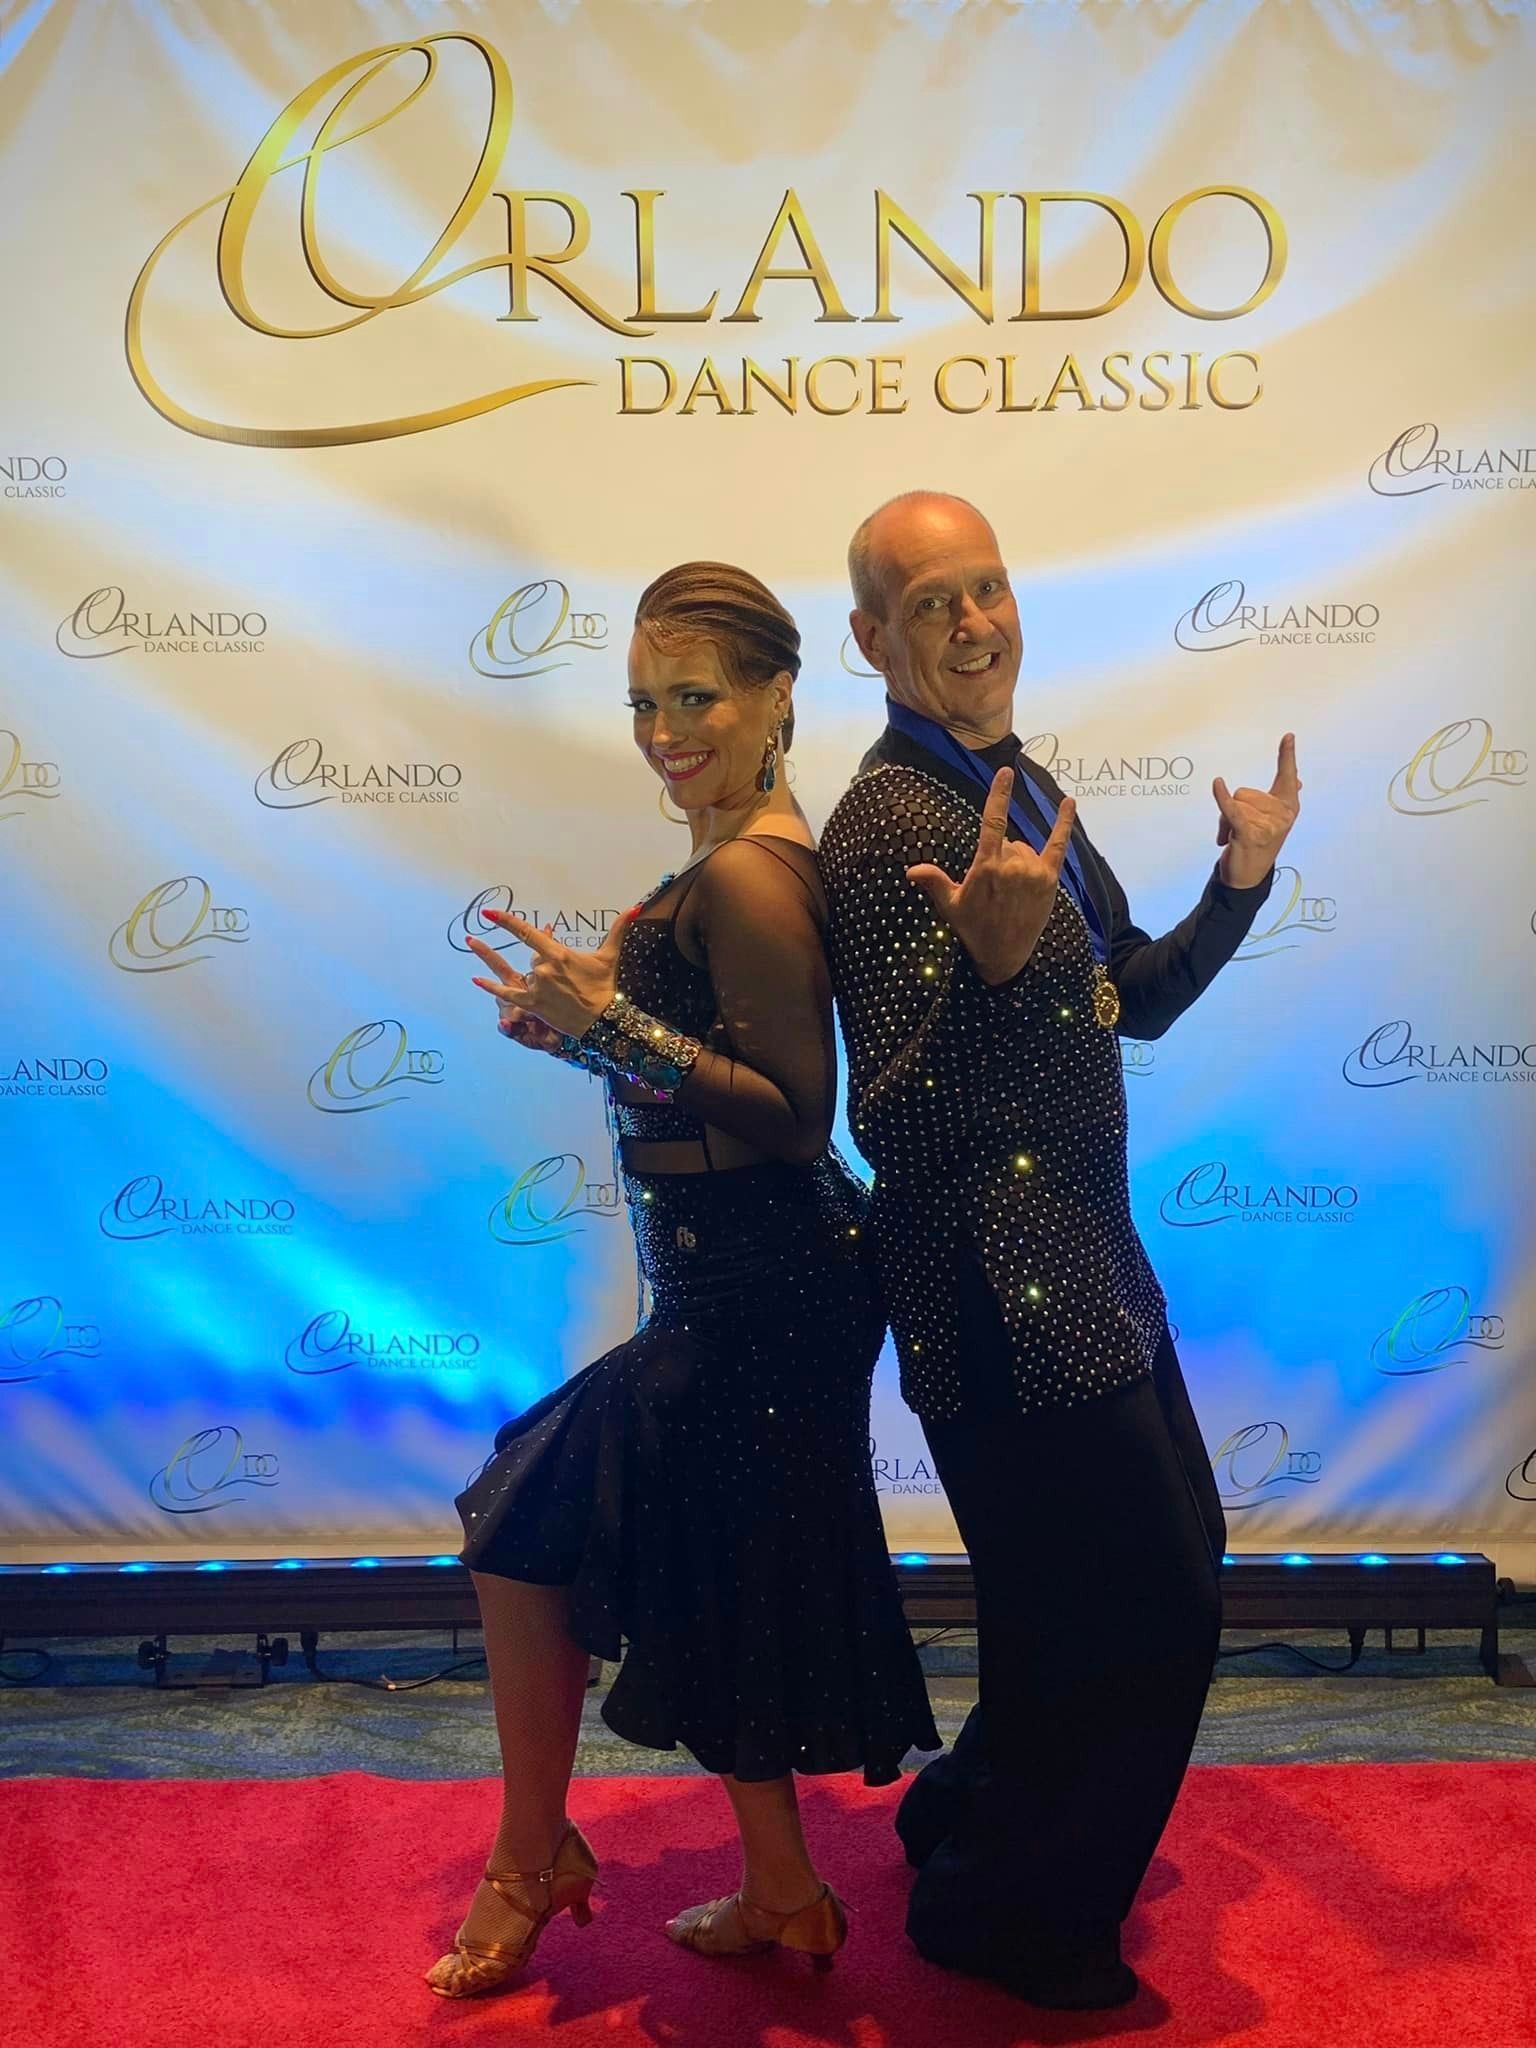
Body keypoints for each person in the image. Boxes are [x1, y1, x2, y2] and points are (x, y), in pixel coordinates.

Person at [428, 561, 938, 1999]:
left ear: (779, 695)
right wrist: (590, 1028)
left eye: (696, 697)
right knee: (728, 1576)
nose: (665, 729)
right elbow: (703, 1070)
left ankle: (533, 1860)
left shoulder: (752, 870)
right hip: (743, 1280)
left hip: (766, 1289)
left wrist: (614, 1029)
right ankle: (783, 1890)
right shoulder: (731, 852)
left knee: (521, 1528)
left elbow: (790, 1105)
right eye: (645, 701)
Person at [819, 491, 1301, 2010]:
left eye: (989, 588)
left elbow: (1133, 999)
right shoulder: (890, 823)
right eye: (933, 601)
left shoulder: (1017, 785)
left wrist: (1241, 880)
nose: (975, 622)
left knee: (1088, 1593)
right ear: (871, 640)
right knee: (1145, 1602)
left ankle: (968, 1824)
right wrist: (989, 970)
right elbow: (888, 1111)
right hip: (993, 1291)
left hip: (1090, 1260)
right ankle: (1010, 1918)